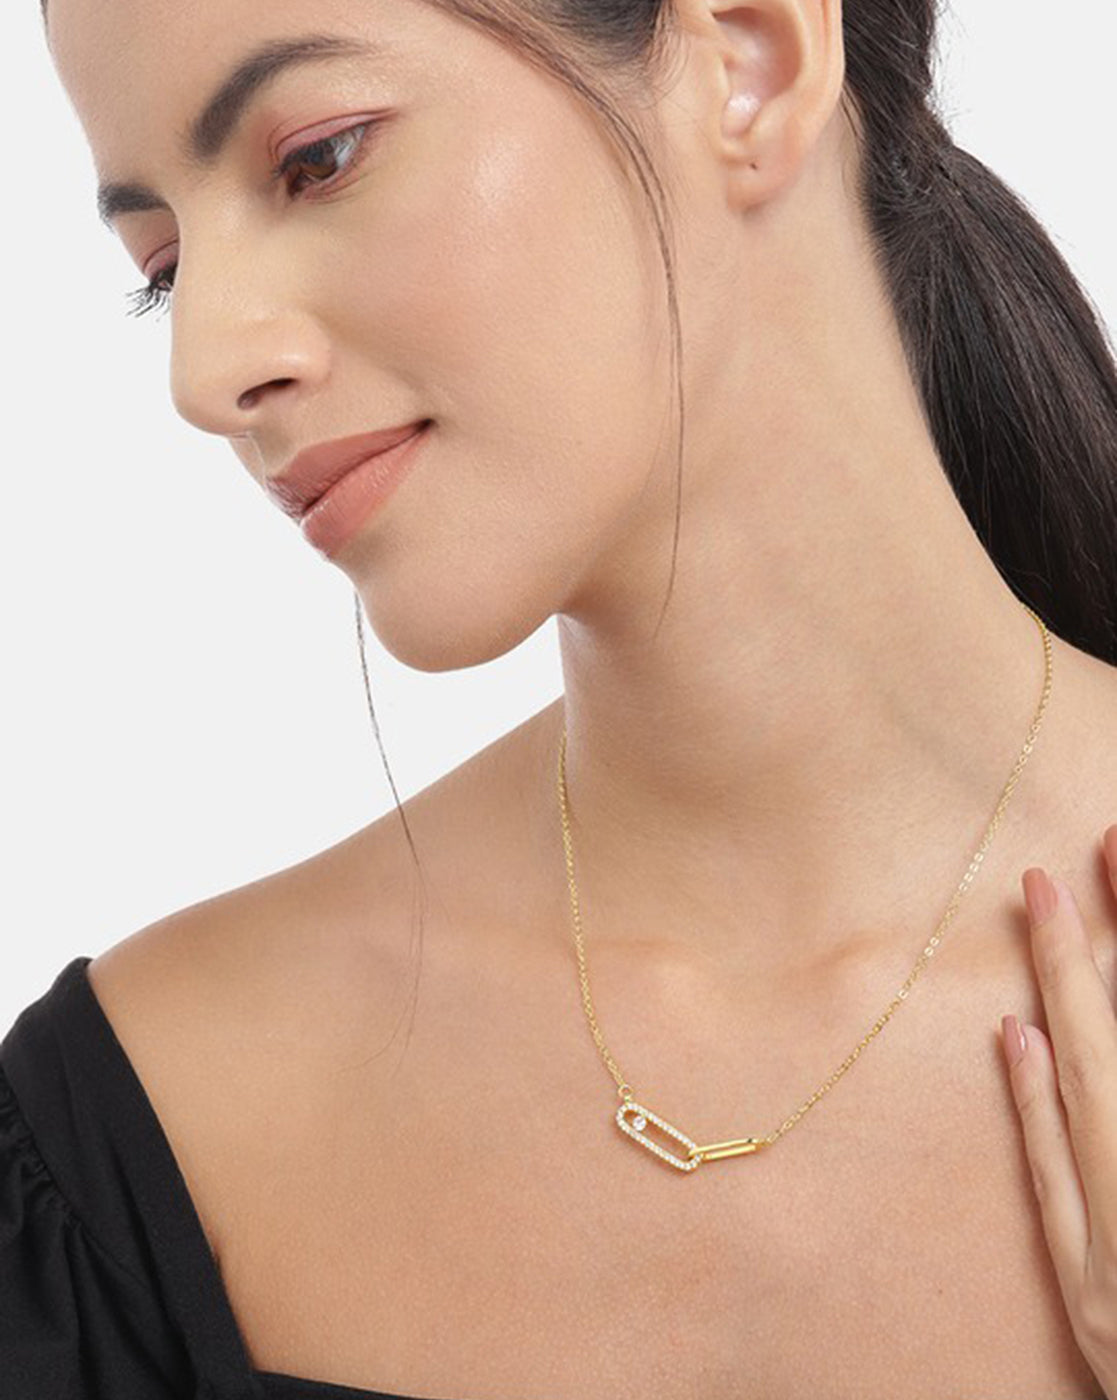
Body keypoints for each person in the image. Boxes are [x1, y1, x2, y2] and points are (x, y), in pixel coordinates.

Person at [4, 0, 1117, 1396]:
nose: (207, 369)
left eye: (318, 159)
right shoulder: (137, 1136)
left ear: (750, 56)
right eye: (165, 268)